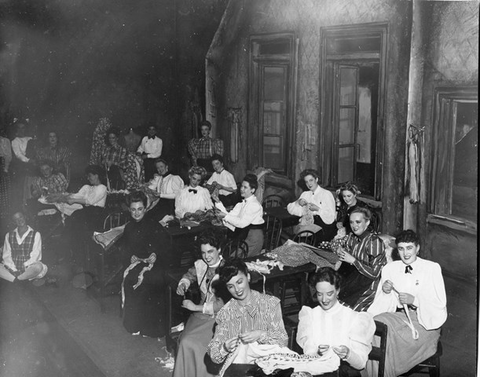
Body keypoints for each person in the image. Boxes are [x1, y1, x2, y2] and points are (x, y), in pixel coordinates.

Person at [365, 230, 447, 377]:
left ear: (418, 248)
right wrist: (386, 292)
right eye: (401, 249)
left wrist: (414, 300)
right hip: (400, 316)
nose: (405, 253)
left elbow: (439, 303)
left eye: (409, 248)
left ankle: (384, 373)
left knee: (389, 337)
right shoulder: (390, 268)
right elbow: (383, 305)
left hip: (426, 323)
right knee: (376, 324)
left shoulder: (431, 268)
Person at [207, 258, 288, 369]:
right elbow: (214, 355)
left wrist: (260, 335)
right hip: (239, 370)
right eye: (230, 286)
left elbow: (283, 341)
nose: (237, 289)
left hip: (270, 366)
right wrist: (225, 347)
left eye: (239, 282)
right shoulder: (226, 313)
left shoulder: (270, 304)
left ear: (248, 277)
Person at [296, 267, 375, 373]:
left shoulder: (354, 318)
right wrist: (317, 353)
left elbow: (361, 363)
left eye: (329, 294)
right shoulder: (311, 315)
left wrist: (348, 354)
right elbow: (308, 353)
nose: (324, 300)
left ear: (337, 291)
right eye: (319, 294)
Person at [173, 229, 228, 377]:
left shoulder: (226, 271)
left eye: (210, 252)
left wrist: (194, 307)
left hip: (220, 318)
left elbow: (222, 304)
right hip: (201, 315)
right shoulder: (201, 264)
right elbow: (189, 274)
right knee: (184, 341)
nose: (207, 257)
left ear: (219, 249)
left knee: (195, 344)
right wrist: (183, 284)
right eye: (203, 253)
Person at [121, 191, 172, 338]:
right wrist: (130, 257)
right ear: (129, 210)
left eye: (140, 209)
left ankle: (150, 328)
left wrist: (155, 254)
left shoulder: (153, 224)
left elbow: (165, 244)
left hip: (155, 264)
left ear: (145, 209)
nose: (137, 213)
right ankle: (135, 324)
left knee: (148, 280)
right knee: (131, 279)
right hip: (137, 264)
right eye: (133, 209)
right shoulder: (129, 227)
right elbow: (124, 249)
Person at [336, 207, 386, 311]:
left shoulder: (374, 242)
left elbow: (374, 273)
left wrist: (353, 261)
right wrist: (341, 252)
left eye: (358, 222)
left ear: (367, 223)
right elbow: (347, 253)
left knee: (348, 311)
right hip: (354, 279)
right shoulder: (352, 237)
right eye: (351, 222)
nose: (354, 226)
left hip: (370, 284)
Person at [213, 174, 264, 257]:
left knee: (231, 258)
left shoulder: (254, 205)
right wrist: (218, 202)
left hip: (253, 239)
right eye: (241, 186)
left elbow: (241, 223)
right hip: (243, 236)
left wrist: (225, 216)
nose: (241, 189)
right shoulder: (240, 204)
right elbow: (229, 217)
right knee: (226, 254)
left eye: (245, 187)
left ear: (253, 190)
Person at [287, 169, 337, 243]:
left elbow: (331, 217)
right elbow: (291, 210)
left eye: (311, 180)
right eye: (306, 182)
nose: (309, 184)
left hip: (324, 227)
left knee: (302, 241)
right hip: (309, 225)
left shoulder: (326, 194)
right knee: (293, 240)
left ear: (316, 179)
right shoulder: (305, 194)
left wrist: (318, 209)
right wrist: (298, 202)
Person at [0, 211, 48, 284]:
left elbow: (36, 255)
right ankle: (21, 279)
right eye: (16, 219)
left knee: (38, 267)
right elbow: (6, 254)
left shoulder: (36, 234)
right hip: (12, 266)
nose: (19, 220)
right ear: (14, 222)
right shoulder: (9, 235)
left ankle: (16, 279)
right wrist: (13, 268)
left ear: (25, 217)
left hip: (28, 266)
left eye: (21, 217)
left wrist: (24, 265)